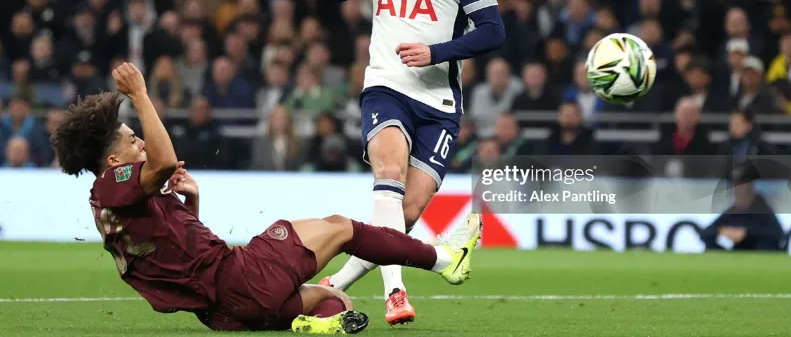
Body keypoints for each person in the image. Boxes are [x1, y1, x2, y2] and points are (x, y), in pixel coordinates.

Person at [50, 62, 482, 334]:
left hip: (225, 313)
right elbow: (164, 160)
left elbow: (176, 253)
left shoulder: (113, 205)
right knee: (341, 227)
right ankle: (444, 259)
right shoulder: (113, 184)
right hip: (239, 279)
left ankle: (304, 324)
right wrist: (141, 96)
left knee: (339, 303)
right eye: (130, 140)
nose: (139, 142)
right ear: (112, 159)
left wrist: (192, 205)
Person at [284, 0, 505, 325]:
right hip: (385, 87)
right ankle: (396, 294)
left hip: (439, 105)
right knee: (388, 173)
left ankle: (334, 285)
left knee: (402, 215)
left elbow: (493, 32)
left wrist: (436, 52)